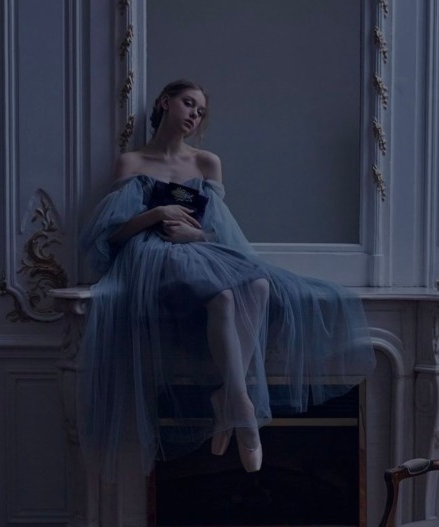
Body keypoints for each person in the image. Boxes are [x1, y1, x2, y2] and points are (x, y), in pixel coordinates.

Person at [78, 79, 376, 481]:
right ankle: (242, 407)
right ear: (164, 102)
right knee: (223, 297)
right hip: (151, 256)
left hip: (198, 248)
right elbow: (109, 236)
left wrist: (195, 235)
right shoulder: (131, 162)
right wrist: (157, 214)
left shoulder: (206, 163)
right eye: (188, 103)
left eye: (200, 111)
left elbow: (219, 234)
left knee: (259, 284)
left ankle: (231, 399)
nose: (194, 115)